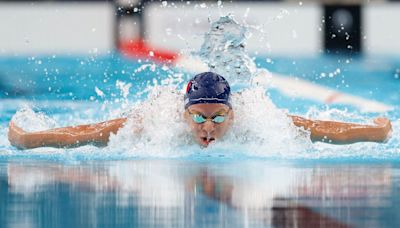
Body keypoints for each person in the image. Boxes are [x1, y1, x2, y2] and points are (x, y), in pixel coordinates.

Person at [8, 72, 392, 149]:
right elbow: (88, 132)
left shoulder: (260, 121)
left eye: (219, 117)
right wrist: (28, 139)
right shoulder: (155, 124)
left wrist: (377, 130)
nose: (208, 126)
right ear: (183, 114)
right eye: (198, 117)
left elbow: (320, 128)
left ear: (233, 114)